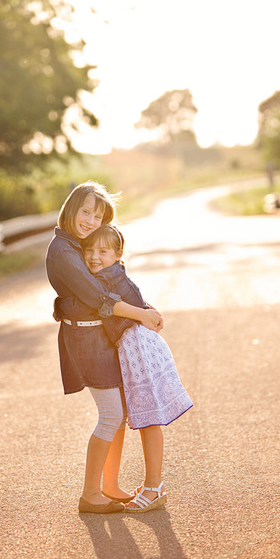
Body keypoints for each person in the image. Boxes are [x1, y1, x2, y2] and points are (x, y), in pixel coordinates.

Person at [45, 181, 163, 514]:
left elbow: (113, 284)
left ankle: (109, 486)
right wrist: (141, 314)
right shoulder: (63, 251)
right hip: (87, 339)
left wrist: (143, 306)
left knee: (119, 415)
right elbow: (99, 299)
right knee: (111, 415)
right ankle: (90, 494)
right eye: (85, 212)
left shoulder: (77, 245)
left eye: (97, 216)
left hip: (100, 337)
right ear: (71, 209)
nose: (90, 221)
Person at [80, 223, 193, 513]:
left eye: (103, 251)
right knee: (143, 417)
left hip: (140, 351)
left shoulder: (108, 279)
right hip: (134, 351)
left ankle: (154, 486)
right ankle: (147, 485)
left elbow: (108, 306)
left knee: (149, 418)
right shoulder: (112, 274)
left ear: (118, 255)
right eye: (90, 250)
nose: (94, 256)